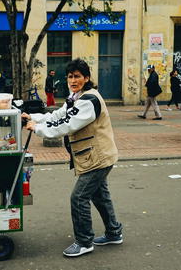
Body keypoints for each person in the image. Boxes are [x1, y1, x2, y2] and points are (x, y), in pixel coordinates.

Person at [23, 58, 122, 257]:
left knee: (79, 198)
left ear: (86, 78)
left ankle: (85, 242)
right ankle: (114, 232)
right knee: (100, 196)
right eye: (70, 76)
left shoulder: (89, 100)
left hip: (97, 157)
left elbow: (65, 125)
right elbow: (59, 115)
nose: (73, 80)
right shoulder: (76, 97)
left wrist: (38, 128)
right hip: (93, 156)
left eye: (77, 76)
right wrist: (34, 118)